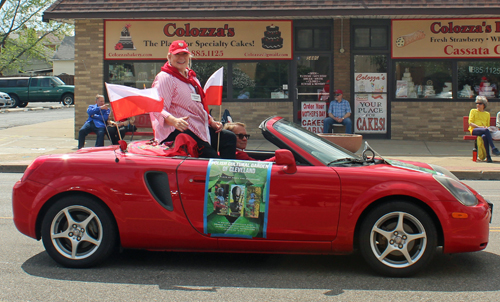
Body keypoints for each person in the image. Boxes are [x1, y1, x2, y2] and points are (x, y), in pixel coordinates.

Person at [150, 40, 236, 159]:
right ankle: (220, 175)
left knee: (229, 138)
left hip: (198, 127)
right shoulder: (165, 78)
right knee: (213, 160)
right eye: (177, 54)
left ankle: (228, 175)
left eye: (184, 54)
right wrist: (174, 120)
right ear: (169, 56)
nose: (181, 58)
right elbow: (156, 107)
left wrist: (211, 121)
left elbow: (198, 105)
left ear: (189, 56)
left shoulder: (192, 77)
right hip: (180, 131)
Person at [468, 96, 500, 163]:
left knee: (484, 136)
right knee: (485, 130)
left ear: (484, 105)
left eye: (480, 103)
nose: (478, 105)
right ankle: (493, 148)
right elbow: (470, 123)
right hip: (474, 130)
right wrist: (480, 127)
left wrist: (487, 128)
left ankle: (488, 157)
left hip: (484, 131)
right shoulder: (473, 111)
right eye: (477, 103)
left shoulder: (487, 114)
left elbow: (487, 125)